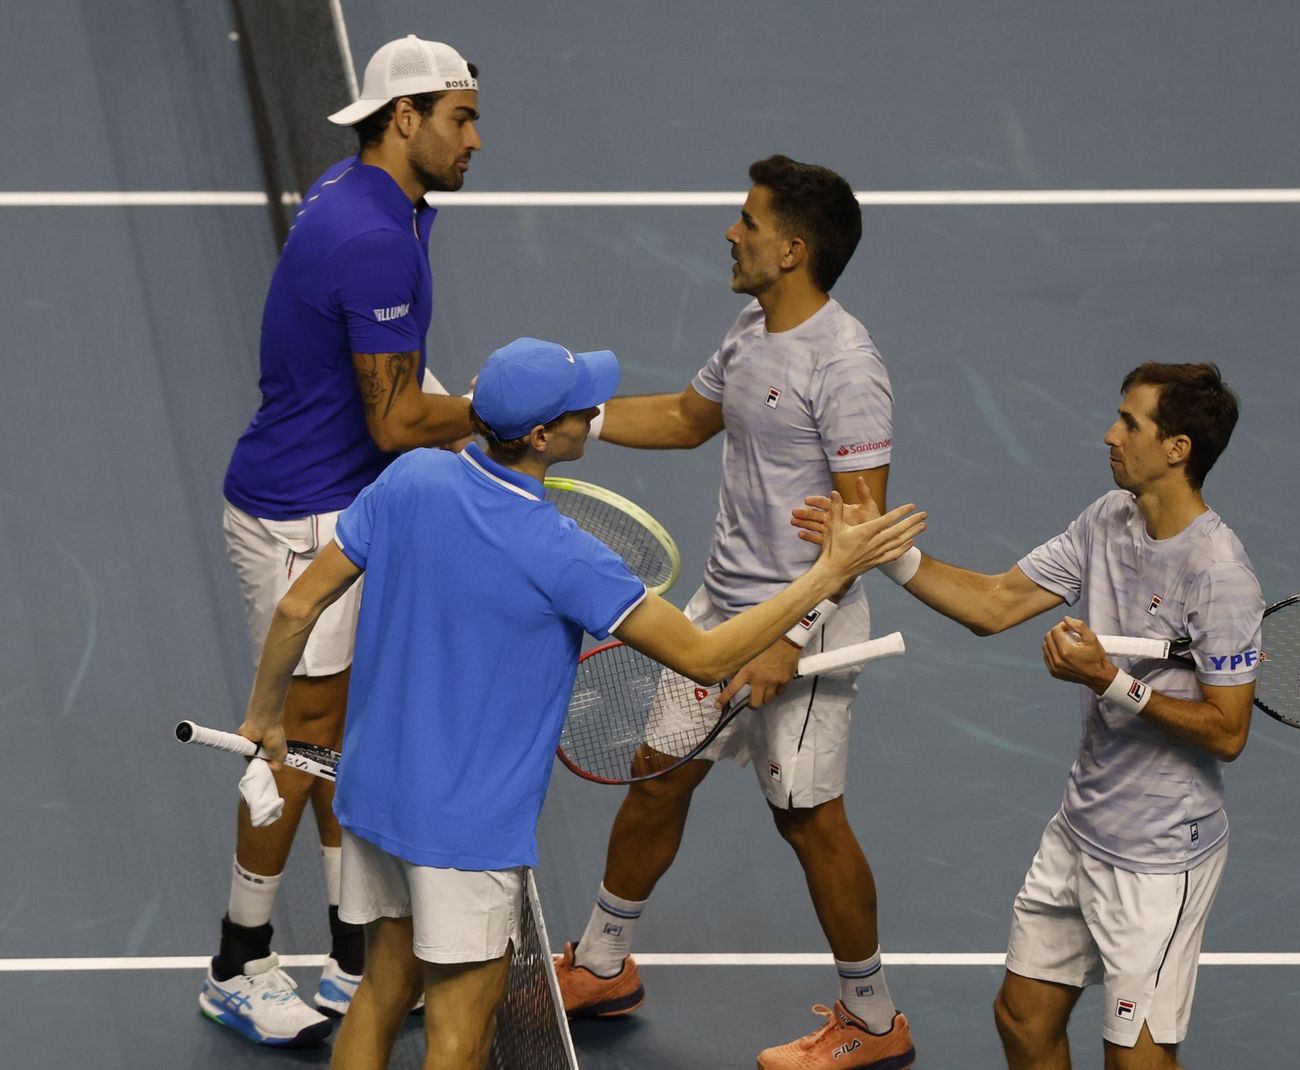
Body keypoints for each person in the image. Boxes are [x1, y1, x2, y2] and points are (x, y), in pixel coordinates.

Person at [233, 336, 926, 1070]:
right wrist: (829, 572)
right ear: (541, 436)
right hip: (466, 832)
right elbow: (707, 657)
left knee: (380, 990)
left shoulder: (412, 477)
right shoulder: (563, 553)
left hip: (374, 795)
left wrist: (265, 717)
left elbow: (297, 608)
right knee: (460, 1039)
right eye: (578, 408)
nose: (593, 412)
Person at [795, 363, 1263, 1070]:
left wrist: (1111, 682)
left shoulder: (1220, 574)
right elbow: (994, 604)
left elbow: (1229, 732)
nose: (1109, 435)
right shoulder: (1108, 520)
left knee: (1134, 1059)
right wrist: (887, 553)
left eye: (1129, 423)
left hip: (1159, 856)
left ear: (1177, 449)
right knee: (1023, 1019)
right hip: (1082, 827)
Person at [555, 155, 917, 1068]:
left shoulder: (847, 367)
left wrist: (789, 639)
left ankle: (874, 1021)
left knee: (809, 819)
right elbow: (686, 418)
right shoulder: (753, 328)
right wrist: (572, 422)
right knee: (657, 776)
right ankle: (601, 964)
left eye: (749, 221)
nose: (731, 231)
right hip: (719, 612)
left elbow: (862, 531)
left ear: (792, 250)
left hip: (806, 625)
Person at [205, 34, 482, 1045]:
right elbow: (397, 422)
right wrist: (498, 412)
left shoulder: (372, 197)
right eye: (461, 119)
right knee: (300, 740)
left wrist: (450, 412)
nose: (476, 139)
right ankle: (238, 960)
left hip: (337, 498)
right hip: (302, 514)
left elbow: (392, 377)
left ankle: (353, 952)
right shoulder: (374, 235)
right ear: (404, 118)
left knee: (338, 735)